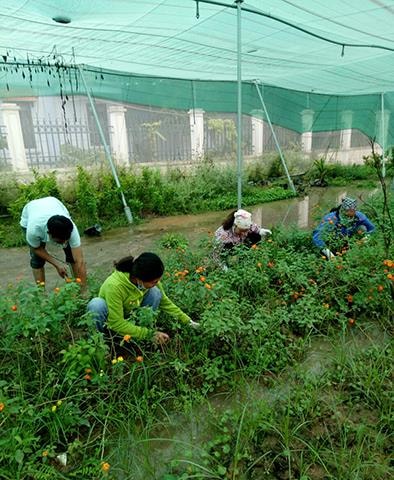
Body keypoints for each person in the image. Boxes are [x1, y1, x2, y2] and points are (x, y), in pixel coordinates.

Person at [87, 252, 199, 353]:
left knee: (155, 293)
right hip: (111, 323)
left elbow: (165, 303)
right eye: (154, 281)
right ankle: (102, 344)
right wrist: (149, 334)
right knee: (96, 305)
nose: (158, 283)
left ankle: (135, 339)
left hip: (131, 318)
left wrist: (188, 322)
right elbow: (116, 322)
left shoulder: (147, 278)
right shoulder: (114, 286)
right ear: (139, 279)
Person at [20, 196, 87, 287]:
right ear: (49, 234)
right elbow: (36, 249)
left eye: (66, 240)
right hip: (31, 212)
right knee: (37, 260)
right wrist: (57, 265)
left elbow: (80, 261)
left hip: (54, 203)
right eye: (60, 242)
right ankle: (41, 294)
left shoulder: (71, 229)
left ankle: (79, 288)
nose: (64, 244)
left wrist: (84, 290)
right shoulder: (34, 230)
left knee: (72, 257)